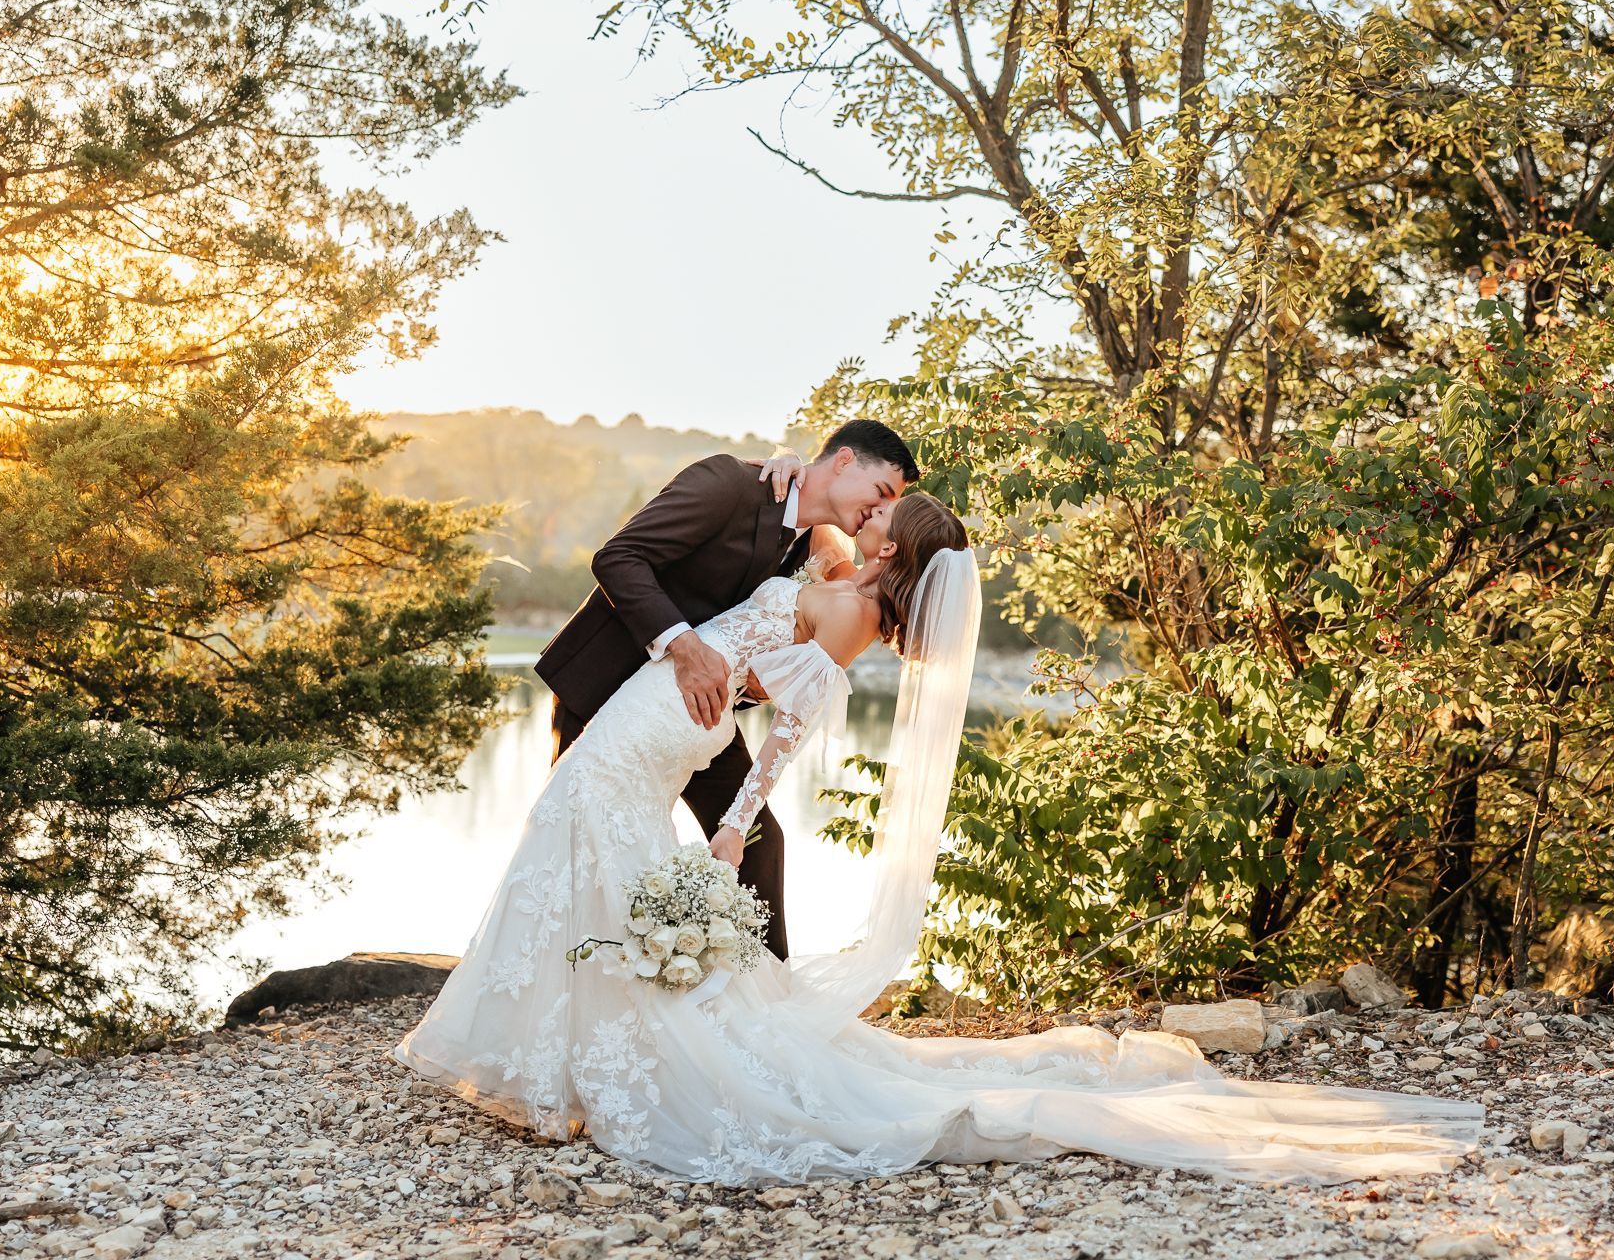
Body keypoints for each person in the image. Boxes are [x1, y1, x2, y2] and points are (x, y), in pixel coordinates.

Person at [391, 491, 1485, 1186]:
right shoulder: (850, 611)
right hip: (662, 739)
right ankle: (567, 1068)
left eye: (885, 514)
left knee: (580, 861)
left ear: (892, 548)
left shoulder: (830, 596)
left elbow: (780, 671)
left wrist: (730, 809)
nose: (873, 514)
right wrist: (729, 826)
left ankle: (569, 1071)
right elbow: (789, 725)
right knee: (587, 872)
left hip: (645, 735)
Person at [533, 419, 918, 960]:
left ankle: (764, 1008)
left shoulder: (819, 543)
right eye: (882, 492)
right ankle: (565, 987)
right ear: (845, 460)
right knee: (580, 841)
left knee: (758, 842)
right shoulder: (728, 484)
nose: (880, 510)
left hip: (697, 712)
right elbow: (617, 558)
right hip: (605, 684)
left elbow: (840, 609)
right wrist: (684, 648)